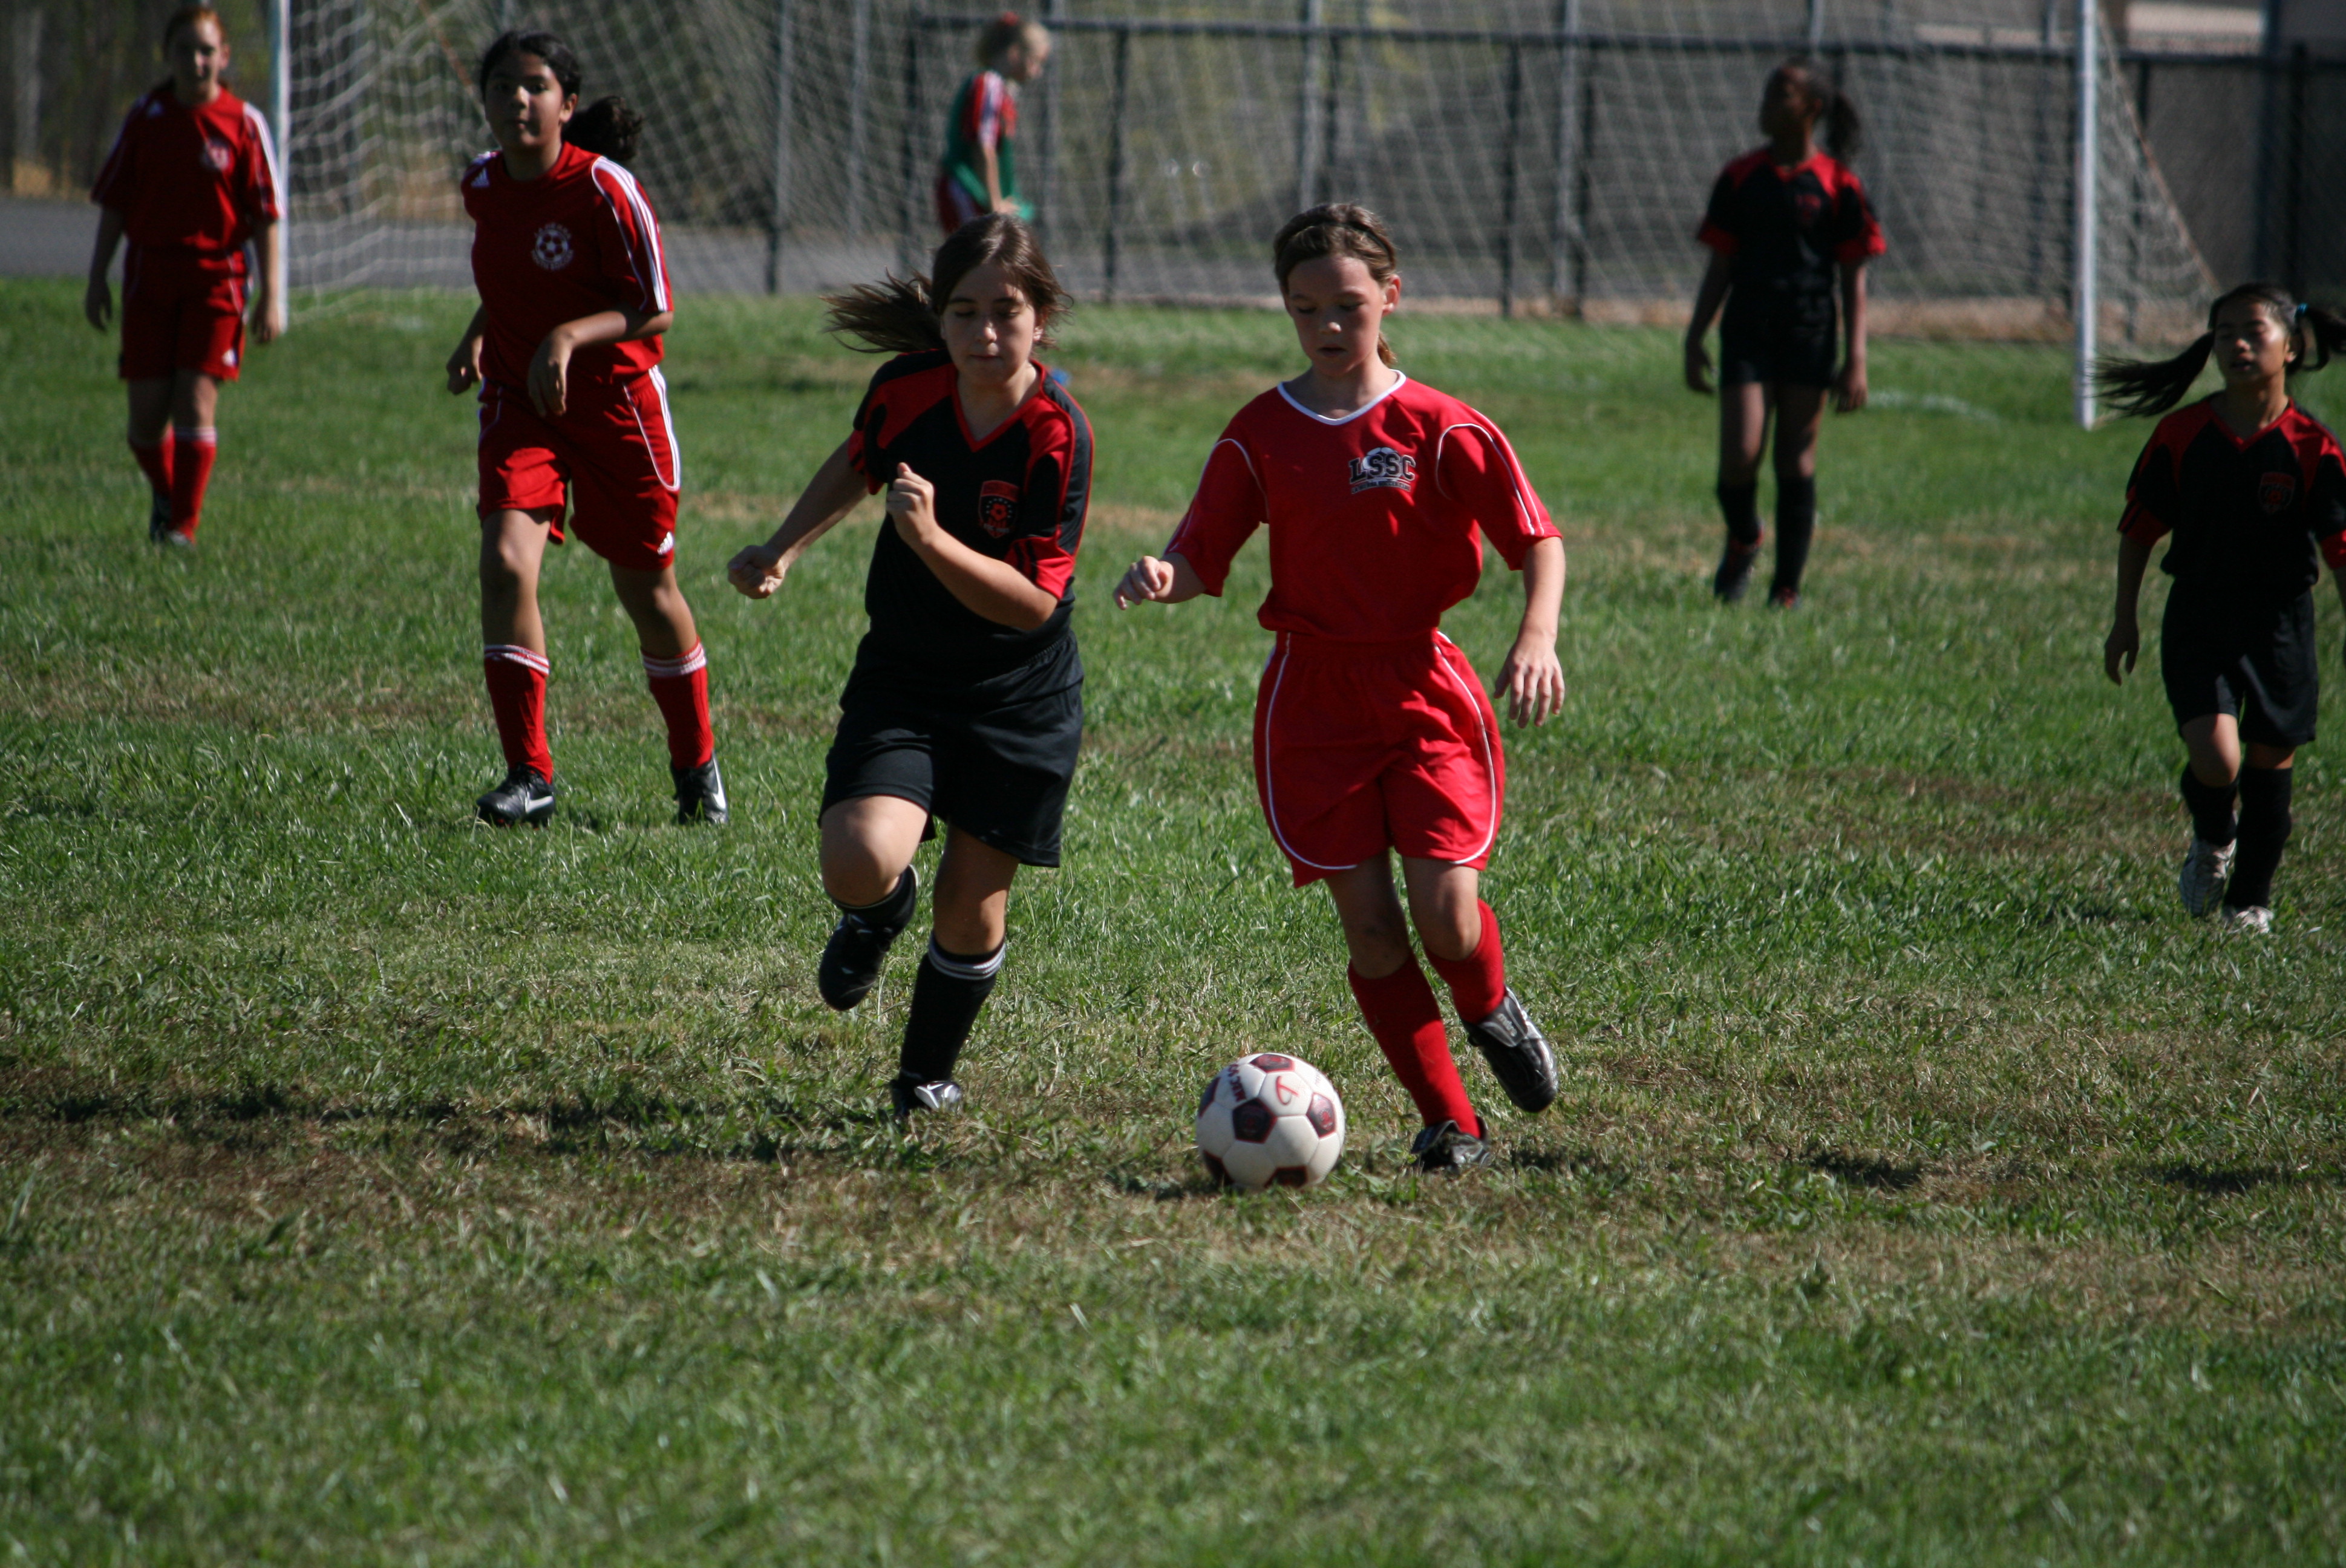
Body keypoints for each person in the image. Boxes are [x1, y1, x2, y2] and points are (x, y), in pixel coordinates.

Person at [1116, 204, 1567, 1174]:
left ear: (1390, 297)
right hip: (1313, 702)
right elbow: (1202, 554)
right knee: (1370, 929)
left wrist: (1537, 634)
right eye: (1305, 306)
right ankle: (1453, 1122)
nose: (1327, 324)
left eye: (1348, 305)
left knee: (1447, 915)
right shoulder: (1260, 433)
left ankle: (1490, 1005)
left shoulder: (1441, 426)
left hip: (1421, 688)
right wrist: (1164, 574)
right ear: (1286, 307)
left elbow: (1537, 538)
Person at [727, 215, 1090, 1119]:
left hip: (1018, 694)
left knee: (971, 907)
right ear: (939, 318)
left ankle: (923, 1077)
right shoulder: (906, 388)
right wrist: (782, 547)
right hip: (908, 676)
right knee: (857, 860)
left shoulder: (1058, 433)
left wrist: (928, 541)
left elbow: (1034, 604)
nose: (985, 333)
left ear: (1042, 320)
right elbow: (858, 461)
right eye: (964, 312)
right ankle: (878, 911)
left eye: (1006, 313)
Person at [446, 30, 725, 829]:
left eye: (535, 86)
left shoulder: (607, 190)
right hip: (521, 400)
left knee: (647, 590)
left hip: (617, 410)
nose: (517, 99)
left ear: (567, 104)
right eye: (502, 85)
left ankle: (697, 767)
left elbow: (655, 307)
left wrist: (567, 337)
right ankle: (529, 776)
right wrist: (478, 334)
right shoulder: (482, 184)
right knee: (505, 564)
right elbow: (516, 275)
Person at [2099, 284, 2346, 937]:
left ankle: (2250, 902)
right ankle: (2214, 836)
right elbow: (2139, 529)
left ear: (2291, 346)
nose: (2237, 344)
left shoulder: (2313, 447)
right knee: (2218, 761)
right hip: (2200, 618)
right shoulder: (2182, 434)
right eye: (2223, 333)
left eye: (2253, 331)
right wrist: (2124, 619)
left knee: (2270, 772)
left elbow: (2343, 548)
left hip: (2281, 628)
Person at [1684, 59, 1883, 607]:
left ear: (1812, 109)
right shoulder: (1741, 177)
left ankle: (1787, 588)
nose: (1769, 102)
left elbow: (1854, 278)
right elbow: (1720, 266)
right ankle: (1745, 536)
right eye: (1769, 91)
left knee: (1796, 459)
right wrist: (1695, 337)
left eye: (1783, 93)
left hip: (1810, 332)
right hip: (1748, 329)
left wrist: (1856, 358)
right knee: (1741, 454)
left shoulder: (1839, 184)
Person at [85, 4, 284, 547]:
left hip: (217, 281)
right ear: (167, 55)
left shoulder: (243, 123)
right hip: (150, 278)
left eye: (206, 51)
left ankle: (182, 530)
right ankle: (169, 493)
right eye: (185, 50)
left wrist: (271, 295)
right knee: (145, 422)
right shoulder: (146, 117)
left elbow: (266, 214)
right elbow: (115, 200)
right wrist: (97, 276)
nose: (196, 61)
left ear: (225, 56)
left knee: (195, 402)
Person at [936, 13, 1051, 237]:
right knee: (974, 256)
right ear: (1015, 53)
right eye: (1036, 61)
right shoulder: (988, 83)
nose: (1038, 72)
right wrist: (995, 204)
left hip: (977, 195)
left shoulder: (1000, 88)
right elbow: (984, 147)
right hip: (966, 190)